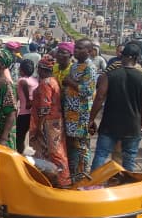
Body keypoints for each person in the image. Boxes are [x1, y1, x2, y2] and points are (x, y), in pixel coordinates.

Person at [89, 43, 142, 172]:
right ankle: (126, 186)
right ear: (136, 58)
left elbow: (99, 98)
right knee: (129, 158)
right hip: (132, 125)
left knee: (101, 154)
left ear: (122, 56)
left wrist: (91, 119)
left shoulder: (109, 75)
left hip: (109, 124)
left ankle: (92, 185)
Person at [29, 55, 71, 187]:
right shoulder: (54, 80)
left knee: (53, 151)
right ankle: (58, 178)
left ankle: (60, 179)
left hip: (47, 122)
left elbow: (44, 108)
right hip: (55, 120)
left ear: (41, 69)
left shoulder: (45, 83)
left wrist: (39, 127)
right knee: (57, 150)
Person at [62, 39, 97, 177]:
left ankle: (81, 175)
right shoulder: (75, 66)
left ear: (89, 51)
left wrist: (70, 82)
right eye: (75, 48)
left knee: (81, 146)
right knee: (71, 145)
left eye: (80, 48)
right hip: (70, 112)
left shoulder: (90, 68)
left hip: (81, 114)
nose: (75, 50)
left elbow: (88, 90)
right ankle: (72, 174)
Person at [16, 59, 38, 154]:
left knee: (19, 136)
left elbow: (23, 86)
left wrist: (27, 100)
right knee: (24, 135)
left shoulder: (22, 80)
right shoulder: (35, 80)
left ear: (21, 70)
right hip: (32, 112)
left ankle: (19, 154)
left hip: (24, 112)